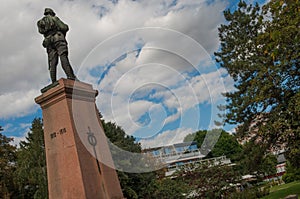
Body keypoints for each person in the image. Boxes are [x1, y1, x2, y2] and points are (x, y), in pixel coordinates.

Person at [37, 8, 77, 83]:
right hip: (58, 38)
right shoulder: (54, 18)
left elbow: (41, 31)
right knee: (63, 56)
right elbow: (64, 27)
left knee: (52, 62)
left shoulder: (40, 22)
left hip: (49, 42)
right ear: (51, 13)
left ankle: (53, 81)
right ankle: (71, 76)